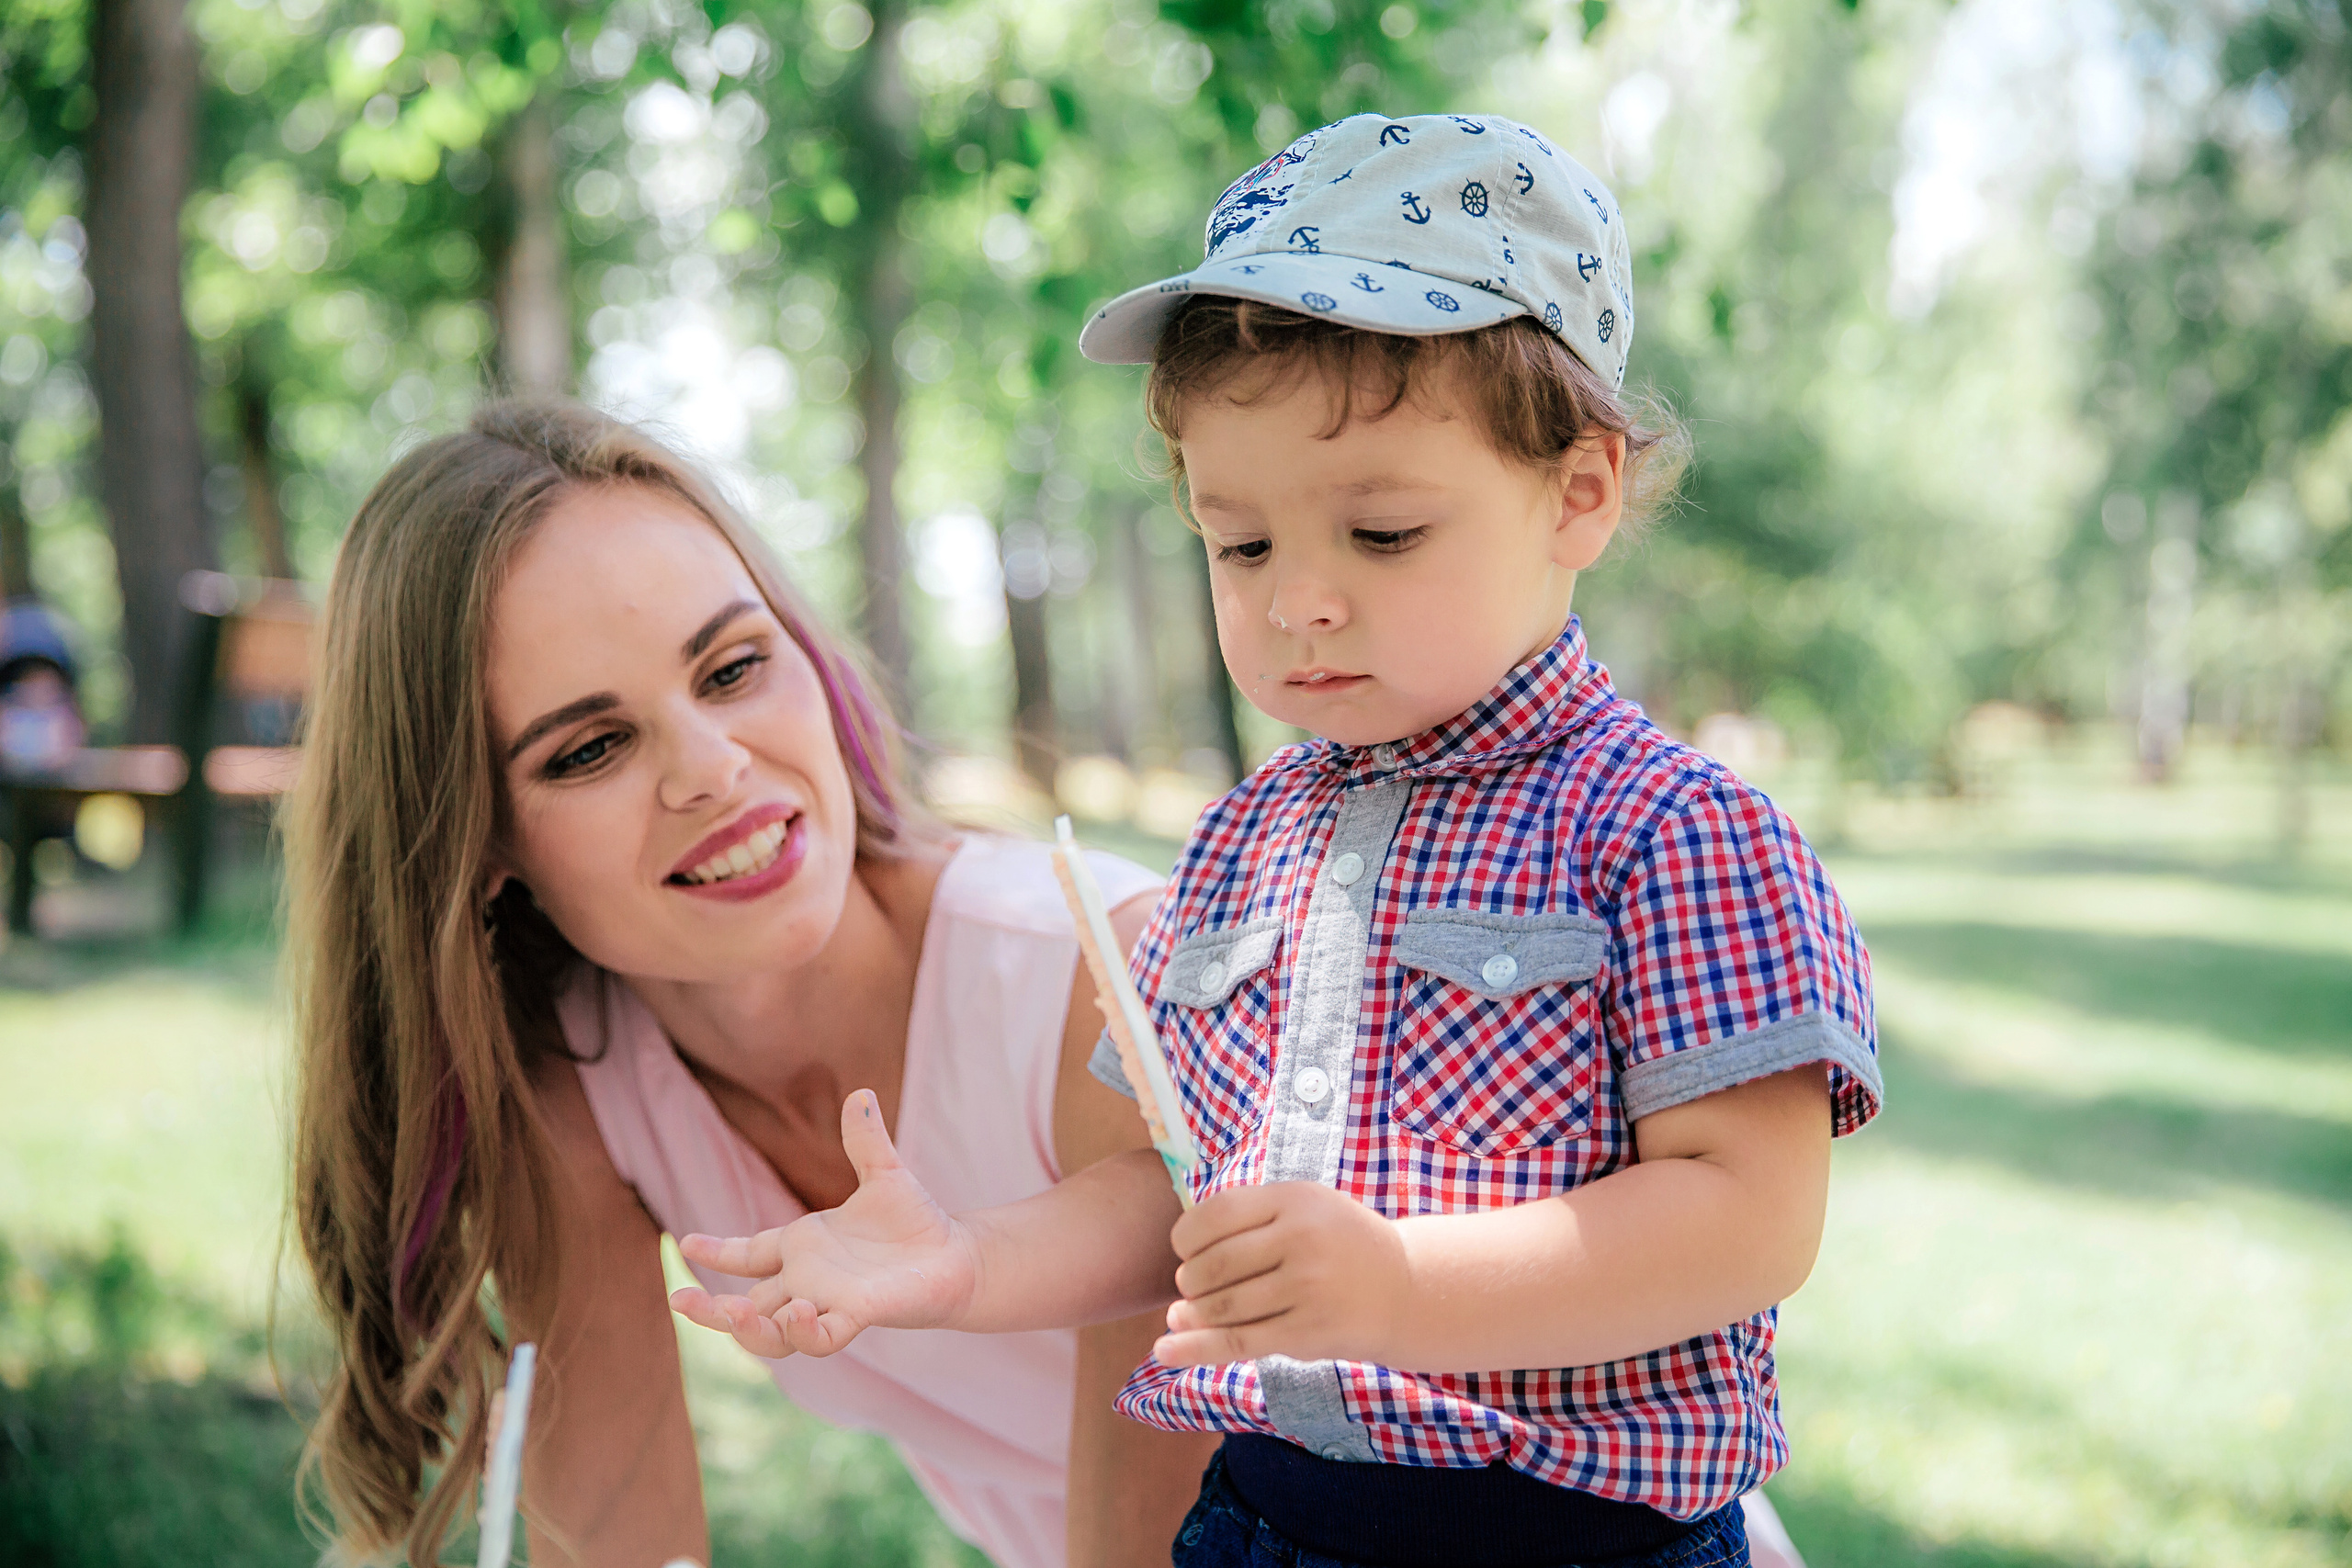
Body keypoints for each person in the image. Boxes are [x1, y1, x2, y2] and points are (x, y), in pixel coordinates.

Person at [676, 113, 1878, 1568]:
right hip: (1260, 1520)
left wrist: (1398, 1281)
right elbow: (1167, 1193)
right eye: (1240, 543)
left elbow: (1747, 1220)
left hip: (1566, 1539)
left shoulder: (1676, 830)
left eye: (1379, 534)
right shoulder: (1245, 840)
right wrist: (966, 1257)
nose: (1298, 598)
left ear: (1579, 490)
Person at [286, 401, 1218, 1568]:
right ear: (477, 843)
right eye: (588, 749)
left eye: (732, 667)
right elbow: (620, 1541)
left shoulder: (1099, 984)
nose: (713, 770)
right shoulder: (581, 1081)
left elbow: (1184, 1532)